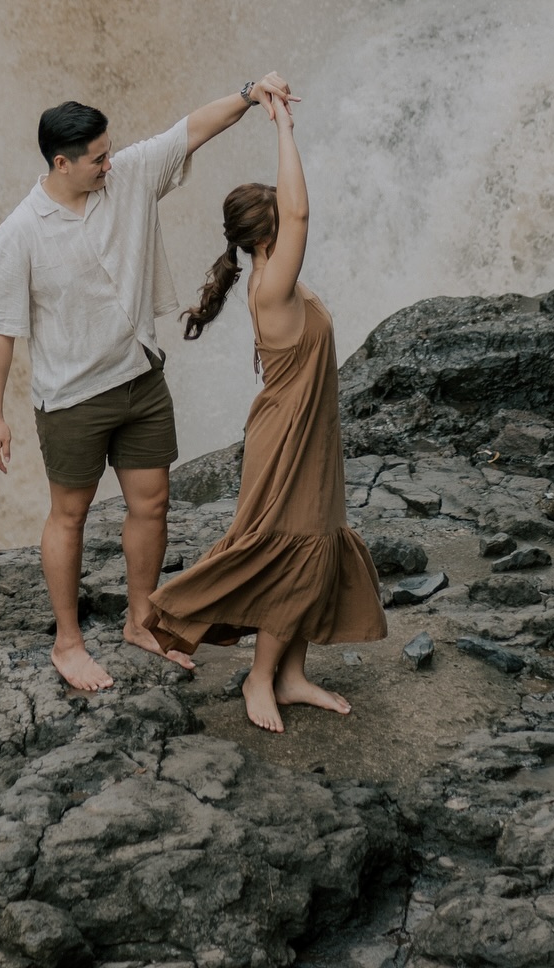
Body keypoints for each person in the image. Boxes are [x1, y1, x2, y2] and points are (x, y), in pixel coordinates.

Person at [0, 75, 294, 693]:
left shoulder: (129, 176)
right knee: (71, 516)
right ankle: (68, 642)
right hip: (70, 400)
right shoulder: (21, 232)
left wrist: (251, 95)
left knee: (152, 503)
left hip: (140, 380)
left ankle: (141, 617)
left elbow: (191, 130)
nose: (108, 163)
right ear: (61, 164)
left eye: (110, 151)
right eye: (97, 158)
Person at [147, 91, 386, 733]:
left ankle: (291, 674)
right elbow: (301, 210)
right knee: (295, 550)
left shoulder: (271, 277)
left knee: (315, 546)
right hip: (287, 436)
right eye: (281, 220)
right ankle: (259, 676)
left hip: (307, 431)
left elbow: (294, 215)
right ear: (267, 237)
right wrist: (281, 123)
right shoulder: (273, 286)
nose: (292, 221)